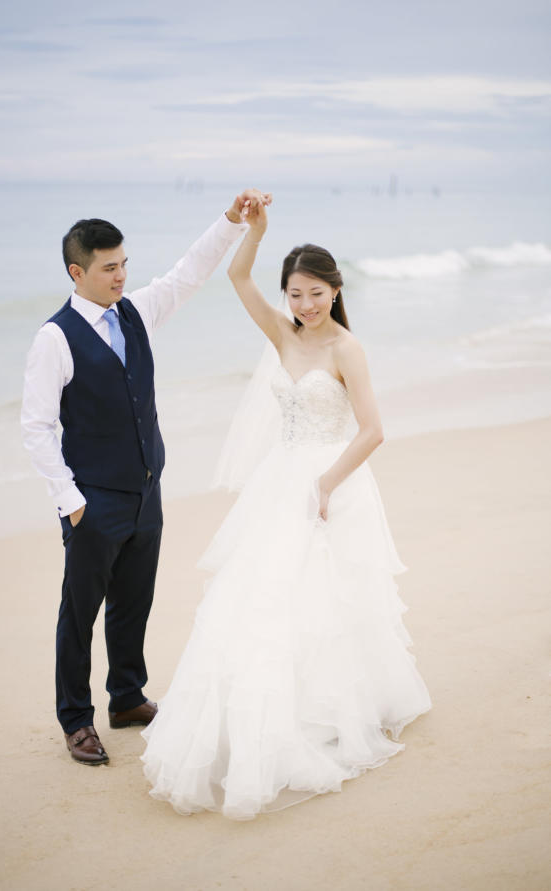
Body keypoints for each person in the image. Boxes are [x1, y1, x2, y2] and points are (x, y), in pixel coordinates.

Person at [141, 199, 432, 819]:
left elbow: (373, 430)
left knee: (329, 598)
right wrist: (257, 231)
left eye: (315, 293)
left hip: (332, 479)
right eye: (295, 294)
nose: (304, 305)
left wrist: (326, 484)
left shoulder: (347, 349)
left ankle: (333, 708)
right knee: (263, 596)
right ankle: (274, 711)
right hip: (279, 481)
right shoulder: (281, 332)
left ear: (335, 290)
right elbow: (237, 278)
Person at [21, 188, 271, 765]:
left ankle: (127, 698)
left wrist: (232, 221)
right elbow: (36, 427)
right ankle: (76, 720)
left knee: (134, 602)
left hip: (145, 491)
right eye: (109, 268)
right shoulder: (54, 338)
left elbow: (189, 273)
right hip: (92, 500)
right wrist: (70, 500)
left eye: (125, 263)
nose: (121, 276)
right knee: (79, 613)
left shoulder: (137, 312)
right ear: (76, 271)